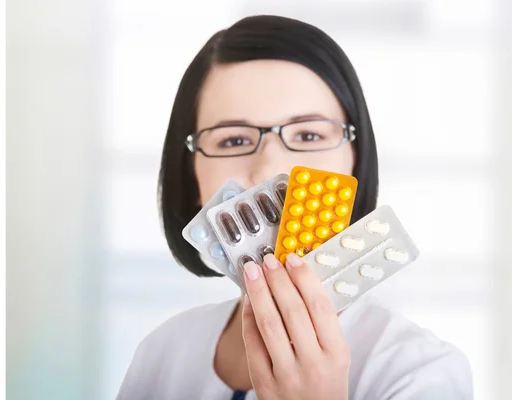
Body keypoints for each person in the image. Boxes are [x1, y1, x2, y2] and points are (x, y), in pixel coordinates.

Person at [117, 15, 473, 400]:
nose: (270, 169)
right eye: (233, 140)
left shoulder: (420, 374)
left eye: (308, 134)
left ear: (356, 160)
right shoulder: (161, 353)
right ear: (191, 176)